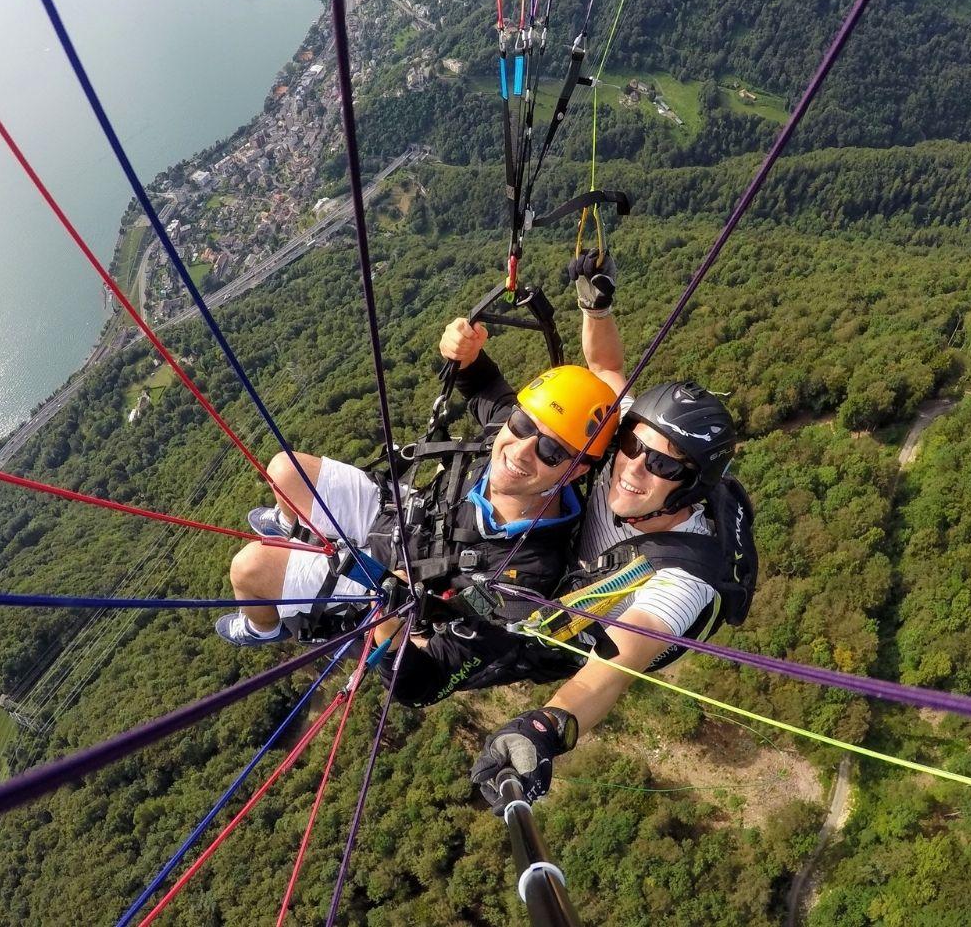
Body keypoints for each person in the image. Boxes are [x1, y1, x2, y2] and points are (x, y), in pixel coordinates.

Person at [470, 257, 758, 813]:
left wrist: (546, 726)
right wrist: (594, 306)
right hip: (577, 557)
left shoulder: (681, 579)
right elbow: (605, 370)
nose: (632, 467)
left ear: (691, 490)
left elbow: (620, 657)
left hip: (587, 619)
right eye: (630, 446)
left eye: (664, 466)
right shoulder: (626, 447)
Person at [215, 317, 620, 710]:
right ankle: (293, 528)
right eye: (521, 423)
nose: (521, 450)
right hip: (406, 518)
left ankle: (262, 627)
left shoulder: (528, 573)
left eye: (551, 452)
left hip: (395, 591)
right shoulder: (509, 432)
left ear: (577, 470)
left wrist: (390, 619)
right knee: (285, 470)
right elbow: (481, 382)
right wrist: (465, 350)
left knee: (251, 568)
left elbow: (422, 684)